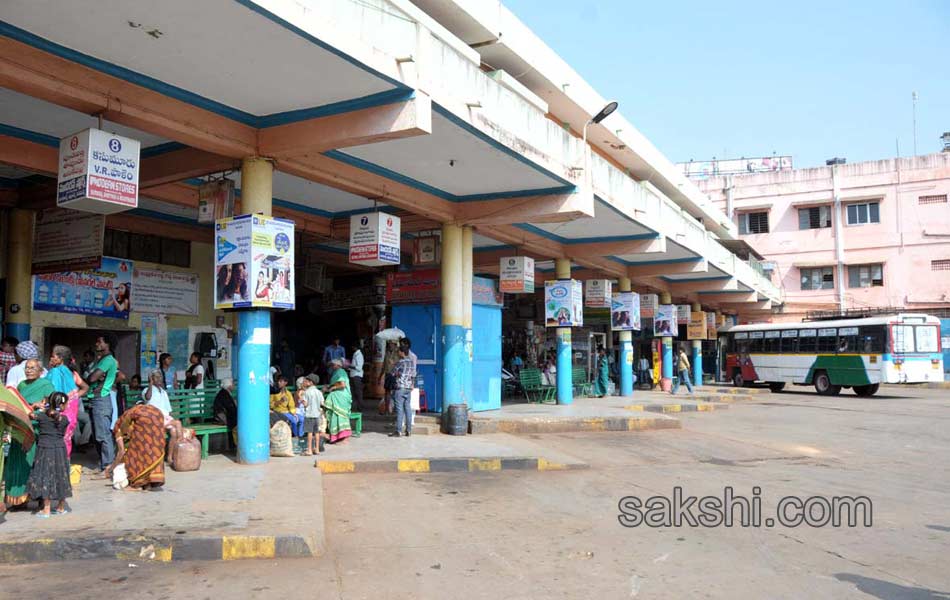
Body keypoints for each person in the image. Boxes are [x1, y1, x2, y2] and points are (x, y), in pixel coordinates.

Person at [4, 358, 54, 508]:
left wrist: (36, 408)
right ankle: (18, 498)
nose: (29, 370)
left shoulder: (46, 385)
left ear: (40, 371)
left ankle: (37, 495)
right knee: (17, 463)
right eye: (27, 368)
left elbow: (50, 406)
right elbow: (17, 405)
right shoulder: (21, 385)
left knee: (33, 462)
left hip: (35, 429)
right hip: (20, 429)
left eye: (32, 368)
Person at [26, 391, 72, 517]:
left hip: (45, 448)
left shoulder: (40, 416)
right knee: (60, 475)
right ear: (62, 405)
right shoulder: (65, 419)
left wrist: (36, 406)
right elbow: (56, 418)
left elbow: (29, 414)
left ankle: (46, 509)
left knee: (45, 474)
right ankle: (61, 507)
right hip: (60, 449)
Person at [104, 403, 165, 491]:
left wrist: (111, 468)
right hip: (158, 418)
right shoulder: (136, 424)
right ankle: (149, 483)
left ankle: (137, 484)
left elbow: (121, 452)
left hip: (148, 419)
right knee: (152, 450)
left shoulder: (118, 428)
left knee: (134, 454)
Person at [45, 345, 86, 458]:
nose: (51, 359)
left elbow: (54, 394)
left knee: (55, 442)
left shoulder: (55, 372)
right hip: (70, 414)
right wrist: (73, 397)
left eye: (53, 356)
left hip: (59, 413)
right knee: (66, 441)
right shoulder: (69, 372)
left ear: (60, 359)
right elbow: (83, 388)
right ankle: (64, 468)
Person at [86, 333, 118, 473]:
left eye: (100, 342)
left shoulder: (108, 360)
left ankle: (108, 465)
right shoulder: (101, 361)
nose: (97, 344)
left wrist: (91, 377)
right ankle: (104, 462)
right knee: (98, 434)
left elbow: (92, 378)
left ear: (107, 344)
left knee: (103, 435)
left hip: (101, 399)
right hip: (96, 399)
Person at [144, 370, 183, 456]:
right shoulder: (147, 390)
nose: (159, 379)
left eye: (160, 377)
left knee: (173, 431)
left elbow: (168, 410)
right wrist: (150, 383)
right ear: (151, 379)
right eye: (156, 377)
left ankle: (170, 456)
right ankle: (181, 447)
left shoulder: (163, 392)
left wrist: (170, 420)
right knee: (178, 423)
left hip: (165, 419)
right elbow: (147, 397)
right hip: (154, 419)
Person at [389, 345, 416, 438]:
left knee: (400, 409)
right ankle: (408, 430)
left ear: (402, 352)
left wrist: (393, 365)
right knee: (407, 408)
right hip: (408, 388)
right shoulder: (411, 362)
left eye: (399, 351)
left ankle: (398, 430)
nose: (398, 353)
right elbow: (413, 375)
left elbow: (392, 373)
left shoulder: (400, 362)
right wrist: (412, 384)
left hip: (400, 387)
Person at [323, 359, 352, 444]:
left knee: (341, 416)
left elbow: (342, 384)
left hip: (341, 397)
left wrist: (332, 388)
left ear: (337, 365)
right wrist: (329, 387)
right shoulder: (336, 373)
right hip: (336, 397)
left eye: (333, 365)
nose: (332, 367)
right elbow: (335, 384)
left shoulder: (341, 372)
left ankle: (344, 438)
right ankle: (336, 436)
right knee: (334, 416)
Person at [298, 374, 326, 456]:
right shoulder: (319, 392)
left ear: (311, 382)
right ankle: (316, 449)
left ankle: (309, 450)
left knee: (309, 433)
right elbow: (322, 403)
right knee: (316, 432)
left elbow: (306, 405)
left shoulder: (307, 392)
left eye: (306, 381)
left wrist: (301, 399)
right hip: (317, 415)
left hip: (309, 415)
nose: (305, 382)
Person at [213, 379, 238, 449]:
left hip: (223, 416)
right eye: (232, 384)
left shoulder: (225, 393)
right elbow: (231, 409)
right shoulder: (224, 394)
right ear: (229, 386)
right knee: (238, 425)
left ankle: (234, 445)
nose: (234, 386)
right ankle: (237, 445)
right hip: (222, 418)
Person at [348, 342, 364, 412]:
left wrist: (350, 366)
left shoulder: (359, 355)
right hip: (353, 375)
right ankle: (355, 407)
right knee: (353, 392)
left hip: (357, 375)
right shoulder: (355, 354)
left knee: (358, 393)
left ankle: (360, 408)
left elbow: (359, 367)